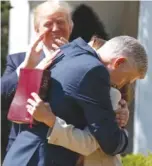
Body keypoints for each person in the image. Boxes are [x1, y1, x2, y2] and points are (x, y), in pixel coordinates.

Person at [3, 33, 147, 166]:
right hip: (41, 158)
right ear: (119, 62)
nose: (123, 84)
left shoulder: (68, 50)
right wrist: (122, 134)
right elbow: (110, 142)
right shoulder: (95, 71)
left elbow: (19, 110)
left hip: (21, 153)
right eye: (127, 78)